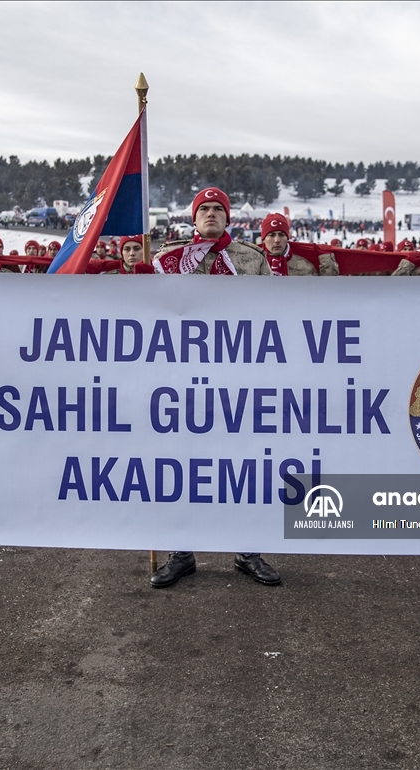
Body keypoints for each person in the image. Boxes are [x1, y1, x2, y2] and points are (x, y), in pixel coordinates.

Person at [151, 187, 277, 587]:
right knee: (181, 465)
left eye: (217, 209)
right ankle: (181, 551)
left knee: (244, 465)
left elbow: (280, 312)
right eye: (203, 209)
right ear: (193, 218)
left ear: (228, 217)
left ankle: (247, 551)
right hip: (181, 381)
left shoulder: (250, 259)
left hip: (240, 379)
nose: (210, 214)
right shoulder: (169, 259)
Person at [261, 213, 338, 276]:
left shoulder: (304, 267)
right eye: (271, 235)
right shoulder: (253, 264)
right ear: (263, 239)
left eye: (281, 235)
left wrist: (327, 262)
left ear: (287, 237)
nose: (277, 240)